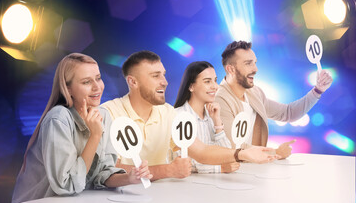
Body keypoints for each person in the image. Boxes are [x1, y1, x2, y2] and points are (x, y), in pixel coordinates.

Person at [10, 53, 151, 203]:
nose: (97, 87)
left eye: (98, 78)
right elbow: (67, 186)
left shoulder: (103, 115)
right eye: (86, 82)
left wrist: (129, 178)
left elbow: (101, 174)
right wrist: (95, 136)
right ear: (67, 88)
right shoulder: (58, 119)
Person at [102, 51, 278, 181]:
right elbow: (108, 169)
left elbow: (201, 151)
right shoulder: (109, 112)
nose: (164, 81)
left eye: (163, 75)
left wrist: (242, 154)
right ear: (133, 82)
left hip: (161, 199)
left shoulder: (168, 112)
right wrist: (168, 170)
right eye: (155, 76)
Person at [215, 41, 333, 159]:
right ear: (231, 69)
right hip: (230, 173)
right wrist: (275, 153)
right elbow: (232, 147)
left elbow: (288, 113)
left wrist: (317, 90)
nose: (255, 69)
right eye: (248, 64)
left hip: (254, 169)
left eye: (255, 63)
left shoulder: (255, 93)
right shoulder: (220, 99)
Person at [174, 61, 238, 173]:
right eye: (207, 81)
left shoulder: (211, 115)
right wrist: (219, 168)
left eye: (215, 80)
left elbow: (227, 153)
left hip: (213, 182)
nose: (215, 86)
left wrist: (217, 122)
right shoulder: (178, 116)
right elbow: (183, 160)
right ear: (191, 86)